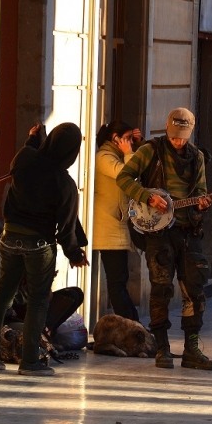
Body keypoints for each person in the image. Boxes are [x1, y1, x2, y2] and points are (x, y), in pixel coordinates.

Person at [0, 123, 89, 376]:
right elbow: (66, 229)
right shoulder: (66, 184)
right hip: (39, 247)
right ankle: (30, 361)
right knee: (38, 301)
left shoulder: (26, 159)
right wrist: (75, 254)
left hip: (9, 239)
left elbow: (25, 156)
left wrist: (32, 138)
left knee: (2, 294)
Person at [116, 107, 212, 370]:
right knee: (161, 290)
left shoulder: (197, 157)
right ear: (167, 128)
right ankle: (162, 348)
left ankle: (192, 349)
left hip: (188, 232)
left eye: (183, 136)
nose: (178, 141)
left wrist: (202, 204)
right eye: (174, 135)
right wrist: (147, 196)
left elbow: (201, 191)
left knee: (194, 291)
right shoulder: (151, 151)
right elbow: (123, 177)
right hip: (159, 233)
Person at [92, 121, 141, 322]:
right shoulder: (104, 158)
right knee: (117, 282)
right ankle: (131, 325)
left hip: (116, 227)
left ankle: (133, 324)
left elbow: (138, 170)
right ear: (115, 138)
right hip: (108, 229)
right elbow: (127, 177)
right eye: (127, 138)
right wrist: (130, 151)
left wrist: (136, 147)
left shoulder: (115, 156)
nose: (130, 142)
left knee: (119, 281)